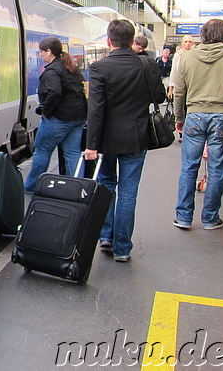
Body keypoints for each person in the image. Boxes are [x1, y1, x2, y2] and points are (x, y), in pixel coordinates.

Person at [83, 20, 165, 262]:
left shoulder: (99, 68)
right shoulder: (147, 64)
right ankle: (122, 248)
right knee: (129, 192)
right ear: (132, 41)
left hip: (107, 140)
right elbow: (159, 96)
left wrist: (91, 145)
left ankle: (106, 236)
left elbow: (95, 110)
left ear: (109, 41)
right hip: (137, 137)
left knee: (107, 185)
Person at [172, 19, 223, 231]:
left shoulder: (187, 56)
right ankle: (210, 219)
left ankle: (184, 217)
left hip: (194, 115)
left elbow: (180, 90)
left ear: (203, 34)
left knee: (189, 167)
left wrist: (179, 118)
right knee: (217, 170)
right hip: (222, 117)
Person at [24, 37, 88, 193]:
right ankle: (78, 188)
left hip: (59, 119)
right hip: (78, 118)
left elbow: (55, 92)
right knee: (72, 153)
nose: (40, 55)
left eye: (41, 52)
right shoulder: (71, 68)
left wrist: (46, 110)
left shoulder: (52, 71)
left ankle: (31, 186)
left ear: (49, 52)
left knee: (42, 150)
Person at [167, 35, 195, 99]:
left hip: (192, 87)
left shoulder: (196, 55)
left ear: (193, 44)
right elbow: (173, 71)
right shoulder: (178, 55)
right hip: (179, 85)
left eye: (190, 42)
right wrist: (170, 89)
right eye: (186, 42)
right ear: (182, 44)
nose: (188, 44)